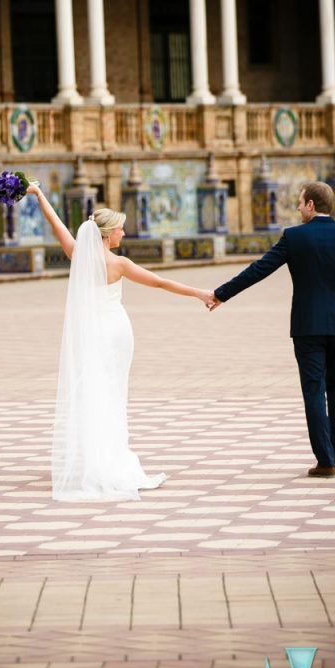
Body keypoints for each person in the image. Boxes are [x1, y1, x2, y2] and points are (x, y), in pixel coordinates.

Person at [27, 184, 214, 501]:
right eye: (120, 229)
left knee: (94, 391)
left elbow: (55, 222)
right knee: (113, 393)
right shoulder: (119, 263)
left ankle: (97, 457)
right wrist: (200, 293)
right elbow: (160, 282)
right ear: (107, 233)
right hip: (115, 331)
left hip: (91, 333)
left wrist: (39, 194)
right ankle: (110, 458)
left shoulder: (78, 255)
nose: (123, 234)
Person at [208, 181, 335, 478]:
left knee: (314, 390)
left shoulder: (294, 237)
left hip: (307, 326)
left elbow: (259, 269)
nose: (297, 207)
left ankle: (325, 460)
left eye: (300, 202)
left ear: (311, 206)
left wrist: (221, 293)